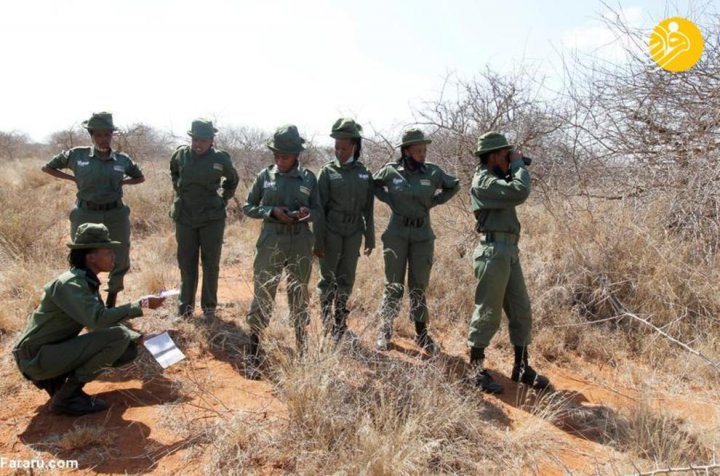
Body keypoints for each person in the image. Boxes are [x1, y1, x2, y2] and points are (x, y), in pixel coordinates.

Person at [12, 223, 165, 416]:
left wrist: (137, 337)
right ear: (91, 257)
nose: (113, 255)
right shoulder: (71, 283)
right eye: (107, 251)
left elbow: (98, 324)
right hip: (35, 357)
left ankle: (55, 381)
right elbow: (97, 321)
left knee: (127, 347)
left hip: (45, 352)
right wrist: (140, 305)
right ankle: (67, 397)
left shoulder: (84, 281)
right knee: (118, 337)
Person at [467, 131, 550, 394]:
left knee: (520, 309)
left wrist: (512, 165)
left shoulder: (496, 179)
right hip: (493, 252)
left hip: (508, 251)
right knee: (488, 311)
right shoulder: (483, 182)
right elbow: (521, 191)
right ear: (492, 156)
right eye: (505, 154)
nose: (510, 158)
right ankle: (475, 370)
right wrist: (516, 166)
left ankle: (521, 367)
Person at [41, 112, 145, 308]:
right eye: (99, 135)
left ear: (112, 135)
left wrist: (122, 182)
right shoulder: (76, 155)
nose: (104, 139)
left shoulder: (122, 160)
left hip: (115, 213)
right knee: (83, 256)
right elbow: (48, 167)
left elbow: (140, 177)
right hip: (86, 212)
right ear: (91, 135)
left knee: (120, 256)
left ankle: (112, 300)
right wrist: (73, 179)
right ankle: (90, 300)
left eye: (107, 135)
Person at [242, 125, 321, 378]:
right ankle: (253, 354)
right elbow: (248, 206)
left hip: (299, 241)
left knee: (299, 294)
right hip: (271, 241)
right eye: (276, 155)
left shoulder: (309, 178)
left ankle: (302, 352)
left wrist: (307, 214)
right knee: (263, 292)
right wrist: (271, 212)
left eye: (285, 156)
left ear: (296, 155)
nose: (279, 159)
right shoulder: (265, 176)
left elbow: (319, 210)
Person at [373, 128, 460, 354]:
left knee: (418, 285)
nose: (422, 154)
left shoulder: (432, 172)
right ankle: (385, 329)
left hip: (422, 236)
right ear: (406, 151)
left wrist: (435, 201)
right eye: (418, 150)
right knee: (393, 284)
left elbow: (454, 184)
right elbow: (373, 184)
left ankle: (421, 334)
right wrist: (389, 199)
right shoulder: (392, 172)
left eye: (424, 150)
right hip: (397, 234)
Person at [170, 119, 239, 320]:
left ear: (211, 140)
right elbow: (173, 172)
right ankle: (185, 310)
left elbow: (232, 180)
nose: (198, 144)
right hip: (185, 215)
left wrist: (222, 198)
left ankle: (209, 308)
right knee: (186, 262)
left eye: (203, 140)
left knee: (210, 263)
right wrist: (179, 189)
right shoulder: (180, 155)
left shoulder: (220, 159)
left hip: (211, 217)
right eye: (195, 139)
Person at [313, 118, 375, 343]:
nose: (339, 151)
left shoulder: (364, 173)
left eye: (344, 147)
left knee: (346, 277)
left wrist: (370, 237)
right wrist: (317, 241)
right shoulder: (327, 172)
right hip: (331, 231)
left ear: (355, 146)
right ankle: (326, 320)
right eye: (336, 147)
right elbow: (318, 210)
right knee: (327, 278)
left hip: (353, 232)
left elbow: (368, 208)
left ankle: (340, 321)